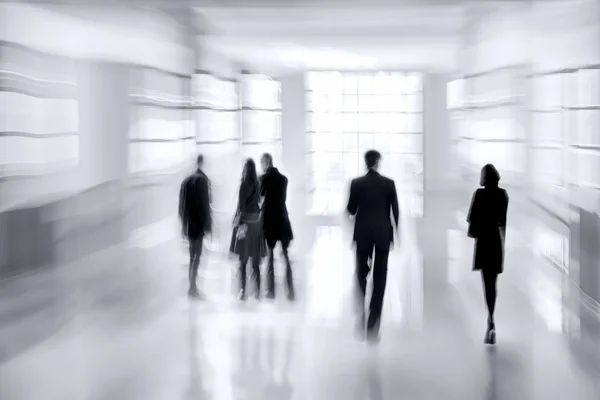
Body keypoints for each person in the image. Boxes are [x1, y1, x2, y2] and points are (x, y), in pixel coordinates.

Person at [347, 150, 399, 344]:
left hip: (362, 233)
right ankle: (373, 321)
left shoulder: (357, 183)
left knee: (361, 272)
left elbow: (351, 209)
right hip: (382, 233)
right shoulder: (388, 183)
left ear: (366, 162)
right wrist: (394, 235)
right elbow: (395, 211)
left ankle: (360, 313)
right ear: (377, 162)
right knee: (380, 275)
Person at [467, 163, 509, 345]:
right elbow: (502, 220)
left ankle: (490, 318)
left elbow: (471, 218)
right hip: (495, 240)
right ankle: (491, 316)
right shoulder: (502, 194)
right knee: (493, 281)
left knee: (487, 282)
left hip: (483, 241)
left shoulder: (479, 194)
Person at [259, 153, 295, 301]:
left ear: (266, 162)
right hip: (282, 218)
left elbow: (261, 195)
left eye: (262, 163)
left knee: (270, 256)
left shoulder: (263, 179)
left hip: (269, 220)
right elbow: (283, 198)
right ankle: (290, 291)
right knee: (286, 256)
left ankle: (271, 291)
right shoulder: (284, 179)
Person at [230, 158, 267, 301]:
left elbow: (241, 206)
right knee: (255, 261)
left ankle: (242, 292)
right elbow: (260, 202)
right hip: (256, 224)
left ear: (245, 169)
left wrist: (237, 222)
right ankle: (257, 293)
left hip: (245, 223)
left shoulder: (243, 185)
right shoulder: (257, 184)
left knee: (243, 260)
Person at [179, 154, 212, 298]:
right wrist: (208, 224)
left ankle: (191, 287)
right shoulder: (203, 181)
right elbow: (206, 205)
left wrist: (183, 224)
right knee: (196, 257)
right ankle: (193, 287)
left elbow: (181, 206)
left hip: (189, 224)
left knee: (192, 255)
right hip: (199, 224)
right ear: (202, 162)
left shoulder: (186, 181)